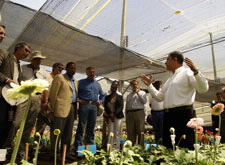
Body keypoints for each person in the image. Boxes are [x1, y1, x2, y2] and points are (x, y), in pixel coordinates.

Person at [141, 51, 209, 149]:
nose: (165, 62)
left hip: (183, 114)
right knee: (168, 145)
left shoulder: (187, 73)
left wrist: (196, 72)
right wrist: (149, 85)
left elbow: (203, 89)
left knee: (185, 145)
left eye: (167, 59)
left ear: (175, 59)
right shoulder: (169, 80)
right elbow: (159, 97)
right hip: (168, 115)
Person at [3, 51, 49, 158]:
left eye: (40, 59)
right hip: (23, 95)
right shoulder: (22, 68)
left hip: (37, 98)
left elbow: (46, 88)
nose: (38, 61)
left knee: (29, 125)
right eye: (36, 59)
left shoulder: (43, 72)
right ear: (31, 59)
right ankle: (8, 147)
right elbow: (16, 80)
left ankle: (22, 149)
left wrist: (45, 101)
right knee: (16, 123)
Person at [0, 42, 31, 148]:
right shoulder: (4, 54)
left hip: (11, 99)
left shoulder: (19, 64)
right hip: (1, 96)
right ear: (18, 48)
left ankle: (1, 155)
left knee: (7, 126)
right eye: (26, 50)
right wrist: (7, 80)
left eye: (29, 52)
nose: (27, 53)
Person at [49, 62, 78, 161]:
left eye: (74, 68)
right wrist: (52, 109)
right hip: (61, 108)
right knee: (57, 132)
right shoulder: (60, 78)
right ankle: (55, 154)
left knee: (68, 133)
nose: (73, 70)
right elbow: (53, 94)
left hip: (72, 107)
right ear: (67, 69)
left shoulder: (75, 81)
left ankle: (65, 152)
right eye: (71, 68)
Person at [74, 66, 105, 154]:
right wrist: (78, 100)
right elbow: (75, 93)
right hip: (84, 105)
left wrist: (100, 101)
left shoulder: (97, 84)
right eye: (90, 72)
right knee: (82, 126)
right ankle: (78, 150)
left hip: (94, 106)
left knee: (91, 128)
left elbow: (102, 95)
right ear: (87, 73)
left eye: (93, 72)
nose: (92, 74)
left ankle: (90, 151)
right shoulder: (81, 82)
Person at [125, 80, 147, 146]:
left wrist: (138, 93)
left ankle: (141, 147)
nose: (135, 86)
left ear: (138, 85)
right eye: (133, 85)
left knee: (140, 130)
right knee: (130, 131)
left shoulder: (142, 93)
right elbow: (127, 105)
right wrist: (126, 114)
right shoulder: (129, 95)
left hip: (139, 112)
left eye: (136, 84)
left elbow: (144, 101)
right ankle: (131, 146)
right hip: (130, 113)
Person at [104, 81, 124, 150]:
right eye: (112, 88)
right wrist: (110, 114)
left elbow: (120, 107)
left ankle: (116, 148)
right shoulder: (107, 97)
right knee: (110, 132)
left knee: (117, 132)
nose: (113, 90)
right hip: (110, 117)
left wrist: (114, 114)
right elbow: (106, 106)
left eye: (114, 88)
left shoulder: (120, 96)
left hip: (118, 116)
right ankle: (110, 148)